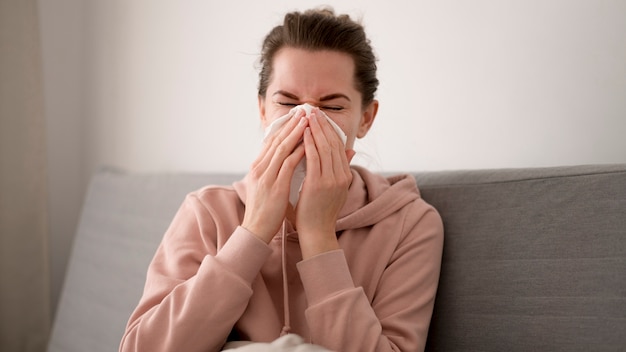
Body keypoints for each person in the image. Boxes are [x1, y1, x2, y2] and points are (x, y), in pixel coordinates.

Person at [119, 7, 443, 352]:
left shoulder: (410, 223)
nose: (306, 121)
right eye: (287, 103)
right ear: (262, 110)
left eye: (332, 107)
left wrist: (318, 235)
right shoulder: (207, 211)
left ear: (365, 119)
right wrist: (255, 229)